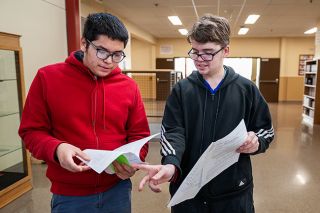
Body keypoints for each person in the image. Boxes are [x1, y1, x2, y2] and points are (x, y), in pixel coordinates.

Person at [132, 14, 274, 213]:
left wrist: (256, 142)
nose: (199, 59)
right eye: (195, 52)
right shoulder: (182, 90)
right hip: (189, 193)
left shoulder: (247, 89)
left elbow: (266, 130)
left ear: (226, 51)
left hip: (234, 192)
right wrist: (171, 165)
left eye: (207, 53)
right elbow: (173, 132)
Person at [18, 13, 150, 213]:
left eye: (117, 54)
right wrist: (57, 148)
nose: (109, 61)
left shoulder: (129, 87)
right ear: (84, 44)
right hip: (70, 196)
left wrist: (133, 161)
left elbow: (139, 135)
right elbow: (31, 132)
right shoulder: (48, 78)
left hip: (118, 190)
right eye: (101, 51)